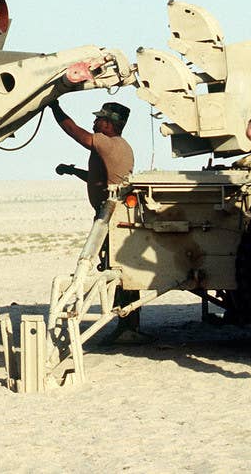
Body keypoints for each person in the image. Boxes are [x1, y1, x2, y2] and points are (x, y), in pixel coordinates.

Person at [50, 100, 143, 341]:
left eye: (99, 119)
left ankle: (128, 329)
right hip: (112, 216)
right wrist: (72, 172)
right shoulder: (113, 146)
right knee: (120, 272)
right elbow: (98, 178)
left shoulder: (107, 144)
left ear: (111, 124)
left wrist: (54, 107)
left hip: (113, 218)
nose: (94, 122)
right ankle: (128, 327)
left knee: (120, 274)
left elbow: (74, 131)